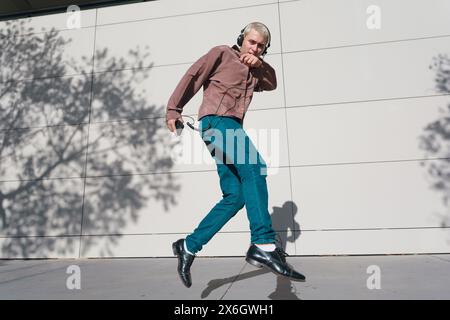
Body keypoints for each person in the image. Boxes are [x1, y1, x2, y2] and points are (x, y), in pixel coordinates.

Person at [166, 22, 305, 288]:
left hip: (225, 129)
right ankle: (264, 243)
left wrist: (259, 64)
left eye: (261, 46)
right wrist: (174, 109)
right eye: (251, 42)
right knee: (255, 166)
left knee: (236, 196)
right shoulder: (222, 54)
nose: (255, 48)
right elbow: (194, 76)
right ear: (242, 39)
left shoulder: (255, 72)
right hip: (217, 122)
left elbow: (272, 83)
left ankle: (188, 245)